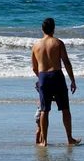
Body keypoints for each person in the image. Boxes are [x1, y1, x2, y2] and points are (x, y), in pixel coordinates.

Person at [31, 18, 81, 146]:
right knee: (65, 108)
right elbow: (66, 62)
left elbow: (34, 67)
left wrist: (40, 78)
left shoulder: (36, 46)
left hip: (43, 77)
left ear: (42, 29)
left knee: (44, 110)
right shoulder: (58, 43)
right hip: (57, 75)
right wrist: (72, 80)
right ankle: (69, 139)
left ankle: (44, 141)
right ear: (54, 29)